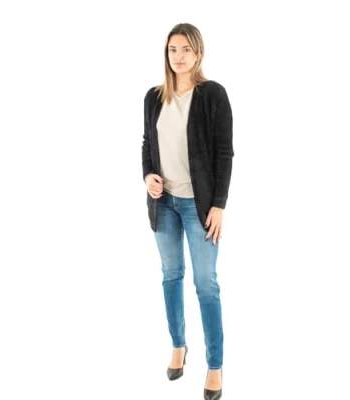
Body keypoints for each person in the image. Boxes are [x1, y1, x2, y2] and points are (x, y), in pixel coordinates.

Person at [141, 22, 233, 400]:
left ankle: (215, 365)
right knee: (171, 275)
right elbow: (147, 144)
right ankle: (178, 345)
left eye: (186, 50)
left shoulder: (213, 94)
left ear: (198, 53)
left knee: (206, 283)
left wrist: (219, 205)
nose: (178, 57)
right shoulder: (153, 97)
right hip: (164, 202)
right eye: (172, 49)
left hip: (200, 206)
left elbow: (224, 153)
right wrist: (148, 175)